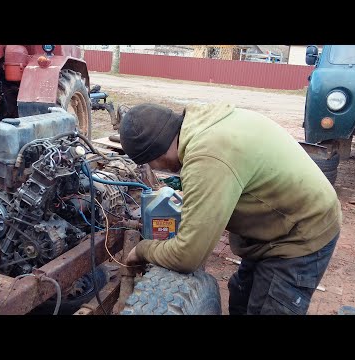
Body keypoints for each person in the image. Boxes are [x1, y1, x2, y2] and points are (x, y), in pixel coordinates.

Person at [119, 102, 341, 315]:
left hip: (302, 233)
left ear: (155, 157)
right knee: (241, 301)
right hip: (276, 223)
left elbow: (187, 256)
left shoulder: (207, 156)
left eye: (150, 164)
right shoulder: (203, 121)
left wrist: (142, 250)